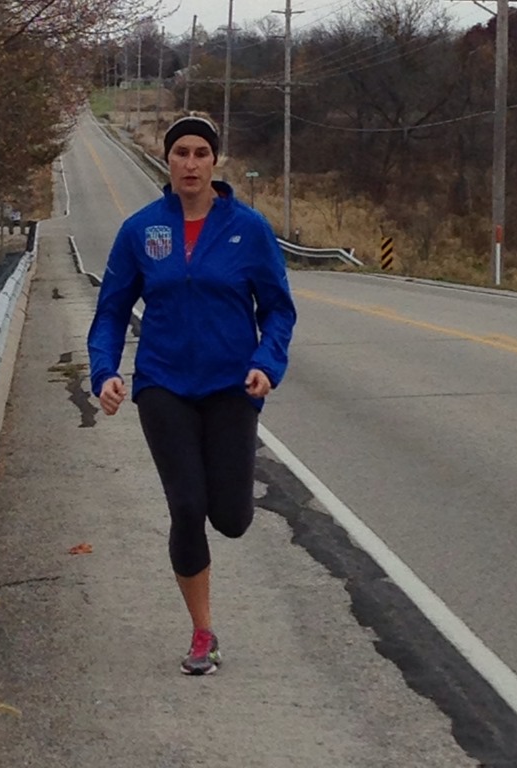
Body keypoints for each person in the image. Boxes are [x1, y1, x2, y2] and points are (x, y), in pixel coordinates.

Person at [87, 112, 296, 675]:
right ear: (167, 159)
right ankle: (203, 632)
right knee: (186, 506)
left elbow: (278, 309)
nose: (191, 163)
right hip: (164, 384)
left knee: (230, 518)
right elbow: (110, 312)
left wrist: (266, 364)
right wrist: (104, 372)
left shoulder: (248, 229)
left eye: (201, 153)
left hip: (231, 386)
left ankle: (224, 503)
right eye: (181, 152)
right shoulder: (141, 231)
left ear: (215, 161)